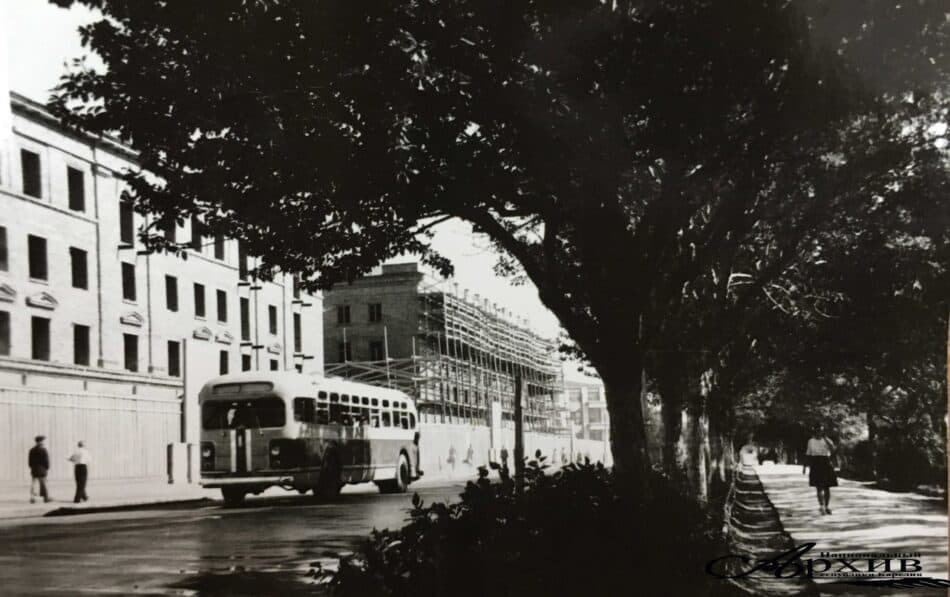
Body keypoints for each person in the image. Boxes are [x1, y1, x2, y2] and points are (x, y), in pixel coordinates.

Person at [802, 424, 838, 515]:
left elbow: (833, 450)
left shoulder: (827, 440)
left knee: (827, 487)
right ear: (815, 431)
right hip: (815, 463)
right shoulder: (810, 441)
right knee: (818, 487)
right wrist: (804, 467)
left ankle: (827, 506)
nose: (819, 432)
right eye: (817, 431)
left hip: (825, 462)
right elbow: (808, 454)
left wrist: (826, 438)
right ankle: (821, 506)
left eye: (821, 431)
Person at [28, 436, 51, 504]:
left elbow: (29, 461)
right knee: (44, 484)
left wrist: (32, 467)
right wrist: (47, 468)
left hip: (34, 469)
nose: (43, 442)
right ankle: (46, 497)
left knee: (33, 484)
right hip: (42, 469)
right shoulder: (43, 450)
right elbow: (46, 461)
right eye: (43, 441)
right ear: (40, 441)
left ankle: (32, 498)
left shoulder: (32, 450)